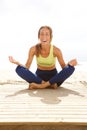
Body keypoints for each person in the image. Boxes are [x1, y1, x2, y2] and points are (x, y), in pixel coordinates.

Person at [9, 25, 77, 90]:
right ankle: (48, 84)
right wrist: (17, 62)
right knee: (18, 69)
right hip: (39, 78)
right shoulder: (33, 49)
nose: (44, 36)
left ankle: (42, 86)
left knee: (71, 68)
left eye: (47, 34)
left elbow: (63, 67)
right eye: (42, 34)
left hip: (53, 77)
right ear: (39, 36)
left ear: (50, 37)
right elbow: (27, 67)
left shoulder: (56, 50)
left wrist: (69, 64)